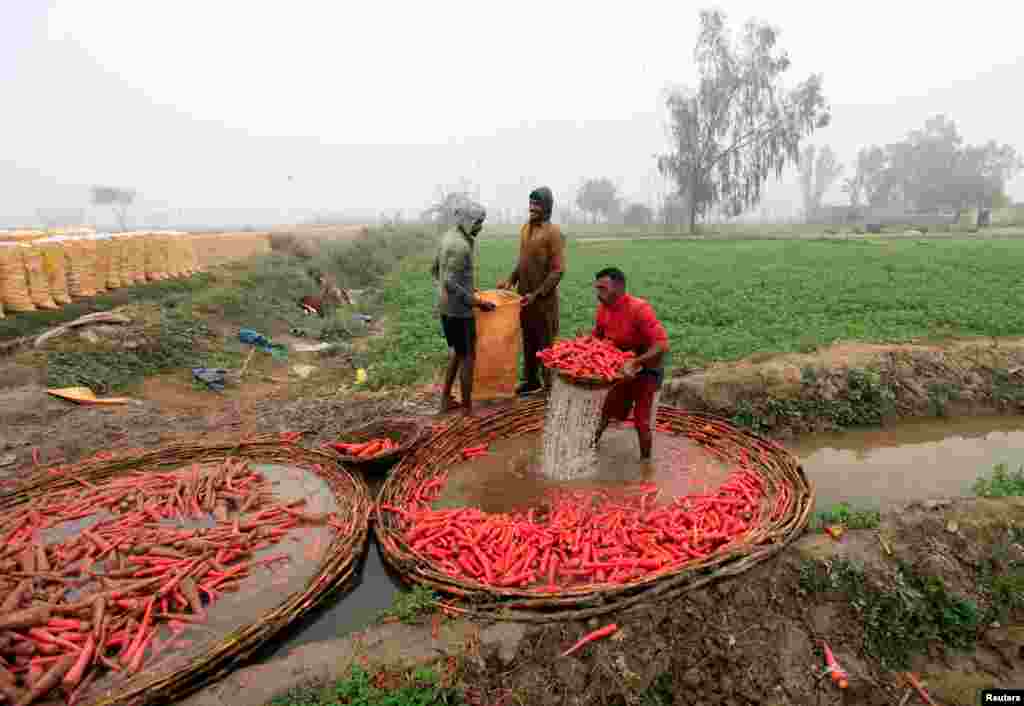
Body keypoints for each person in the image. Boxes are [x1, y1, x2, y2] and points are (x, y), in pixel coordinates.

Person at [589, 267, 670, 461]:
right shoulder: (603, 310)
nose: (598, 293)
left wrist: (636, 362)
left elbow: (662, 345)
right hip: (621, 370)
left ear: (619, 287)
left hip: (647, 369)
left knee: (642, 422)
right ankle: (587, 453)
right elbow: (597, 337)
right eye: (597, 288)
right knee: (605, 412)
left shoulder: (639, 309)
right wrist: (583, 347)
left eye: (603, 288)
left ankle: (646, 466)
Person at [497, 186, 565, 395]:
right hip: (524, 299)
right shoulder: (525, 229)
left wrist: (537, 294)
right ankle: (531, 380)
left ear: (547, 207)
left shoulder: (553, 233)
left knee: (545, 344)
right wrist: (511, 279)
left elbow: (558, 270)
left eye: (537, 204)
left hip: (543, 301)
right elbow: (523, 260)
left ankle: (549, 386)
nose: (532, 208)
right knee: (529, 341)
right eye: (531, 204)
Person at [431, 200, 496, 416]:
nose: (480, 227)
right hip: (459, 312)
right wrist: (477, 302)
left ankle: (445, 400)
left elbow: (435, 271)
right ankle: (467, 409)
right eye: (478, 223)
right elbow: (450, 283)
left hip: (446, 309)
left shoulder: (448, 237)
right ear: (468, 221)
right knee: (468, 357)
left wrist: (466, 287)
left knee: (457, 353)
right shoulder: (461, 246)